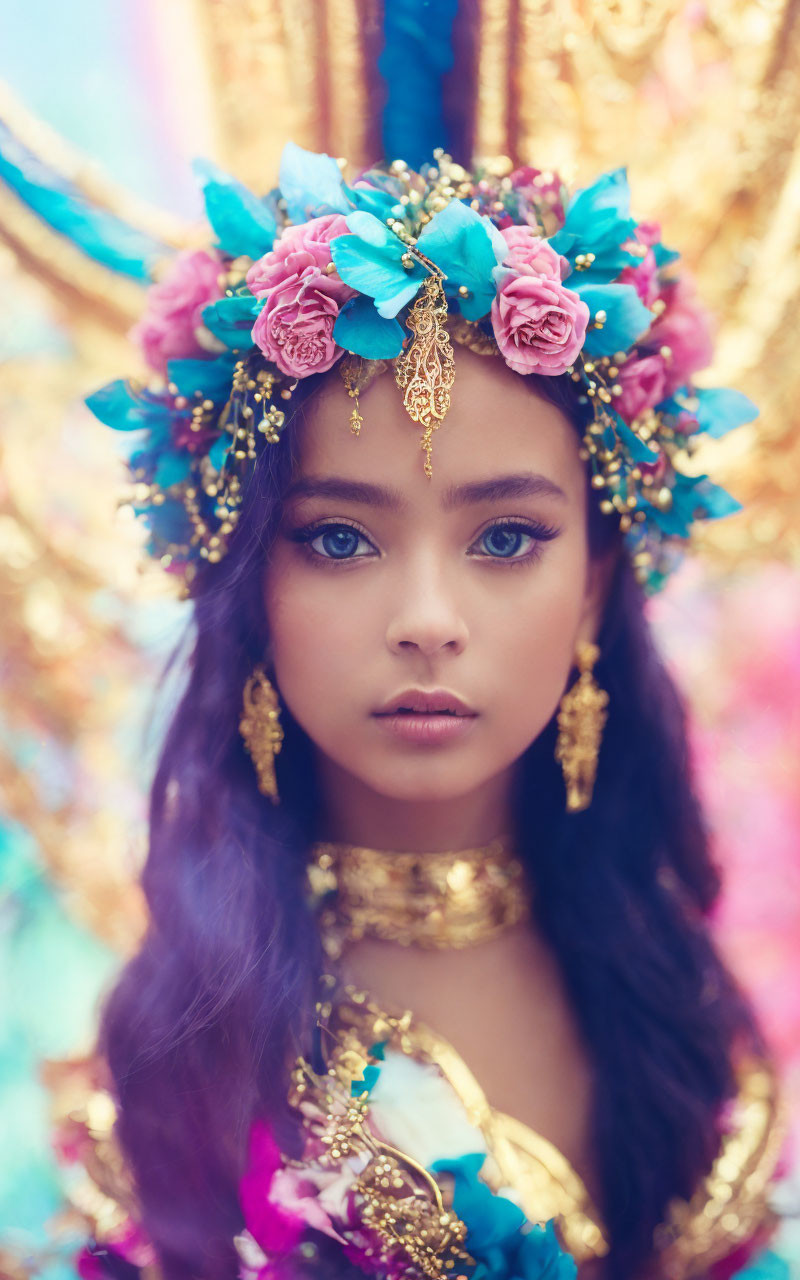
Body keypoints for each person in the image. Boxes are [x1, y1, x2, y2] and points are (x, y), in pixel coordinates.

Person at [56, 144, 792, 1280]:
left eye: (505, 538)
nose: (427, 619)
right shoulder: (196, 1033)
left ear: (593, 583)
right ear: (252, 583)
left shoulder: (662, 991)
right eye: (338, 539)